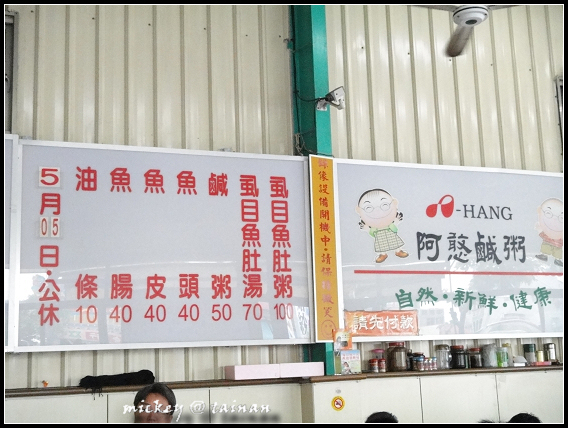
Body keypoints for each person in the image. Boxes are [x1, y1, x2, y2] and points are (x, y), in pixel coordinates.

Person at [355, 188, 409, 263]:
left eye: (385, 205)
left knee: (395, 242)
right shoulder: (375, 228)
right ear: (359, 211)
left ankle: (398, 251)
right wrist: (366, 228)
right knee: (381, 246)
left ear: (394, 203)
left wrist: (396, 220)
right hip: (379, 236)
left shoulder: (390, 224)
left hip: (390, 233)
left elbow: (394, 228)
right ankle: (383, 254)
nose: (377, 211)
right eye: (368, 208)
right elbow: (372, 233)